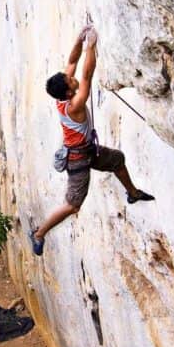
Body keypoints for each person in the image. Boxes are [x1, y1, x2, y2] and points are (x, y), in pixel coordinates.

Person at [29, 25, 153, 256]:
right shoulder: (74, 105)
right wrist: (92, 46)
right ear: (67, 93)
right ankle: (38, 234)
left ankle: (133, 193)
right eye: (69, 80)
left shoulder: (63, 95)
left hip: (87, 151)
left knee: (117, 160)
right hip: (77, 159)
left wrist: (79, 40)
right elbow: (87, 73)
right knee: (73, 205)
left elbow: (72, 62)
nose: (71, 77)